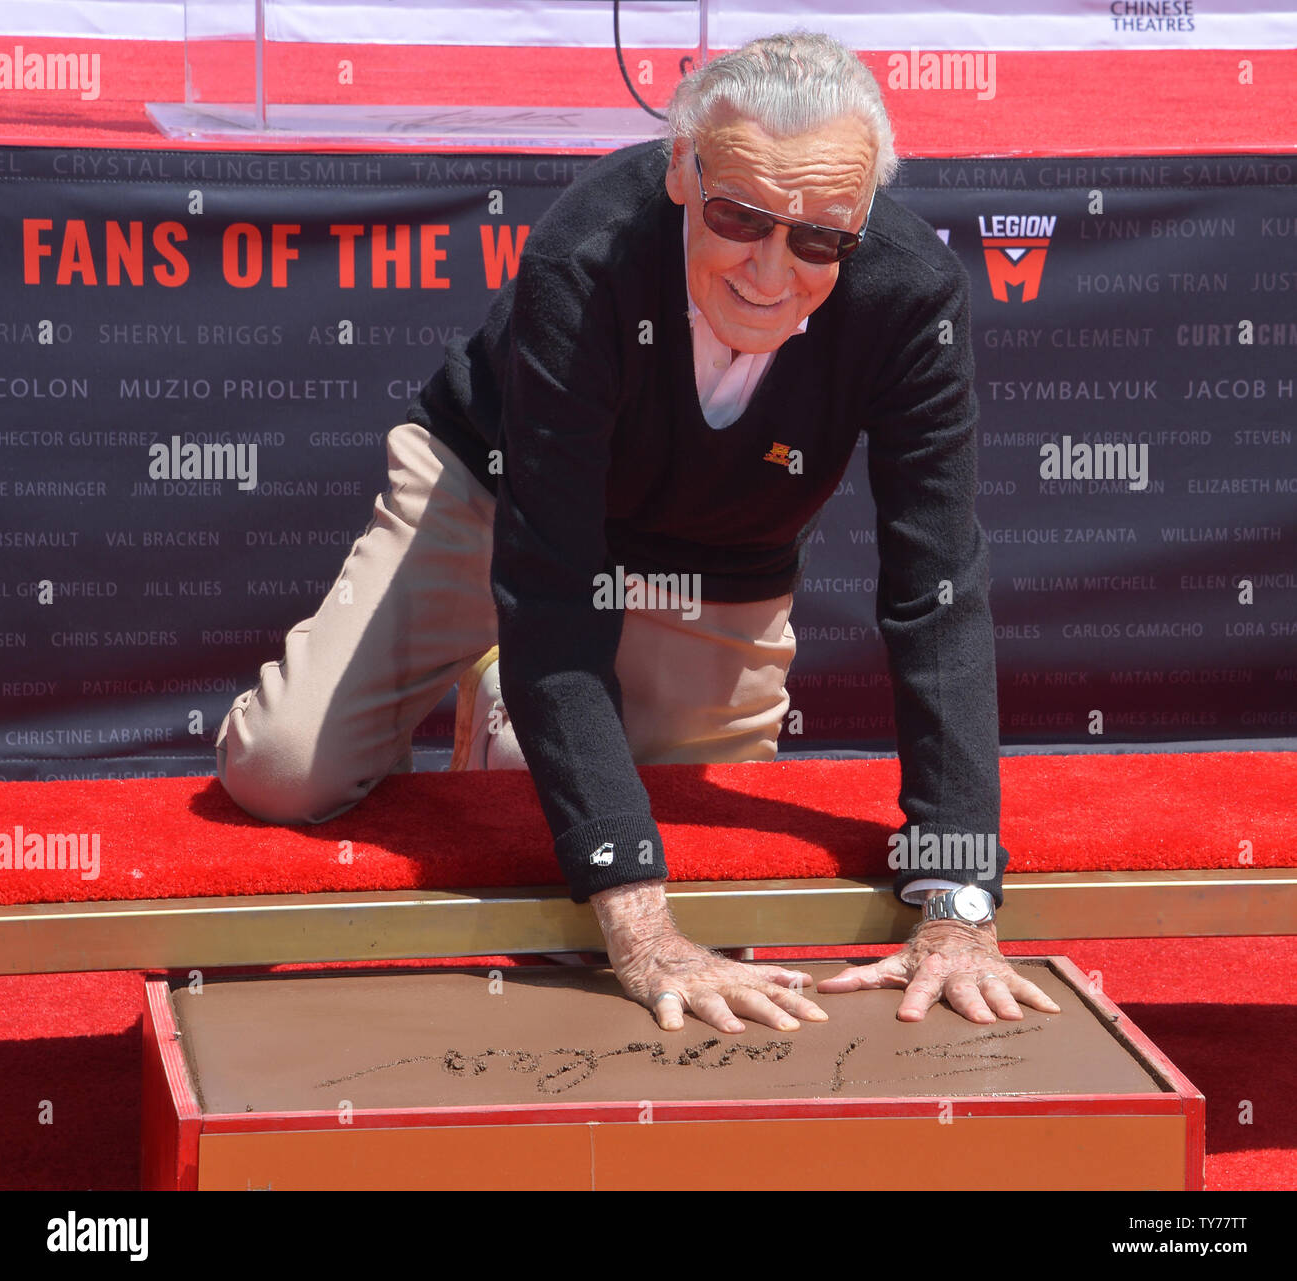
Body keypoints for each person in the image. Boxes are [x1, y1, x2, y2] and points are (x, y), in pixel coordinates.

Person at [217, 31, 1060, 1036]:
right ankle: (513, 696)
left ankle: (511, 710)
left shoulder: (910, 292)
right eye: (740, 215)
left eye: (820, 237)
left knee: (702, 874)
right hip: (493, 492)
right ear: (679, 169)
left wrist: (959, 896)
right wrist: (640, 933)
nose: (771, 267)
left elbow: (937, 588)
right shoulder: (586, 253)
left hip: (717, 552)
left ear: (863, 220)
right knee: (280, 770)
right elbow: (548, 581)